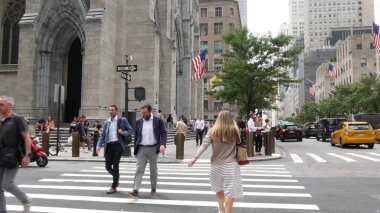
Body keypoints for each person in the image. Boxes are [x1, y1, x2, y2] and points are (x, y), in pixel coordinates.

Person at [188, 110, 244, 213]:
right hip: (231, 164)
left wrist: (195, 158)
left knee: (218, 189)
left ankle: (221, 209)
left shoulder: (212, 131)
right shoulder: (235, 130)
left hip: (216, 165)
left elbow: (204, 145)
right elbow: (239, 144)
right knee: (230, 193)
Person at [125, 103, 167, 199]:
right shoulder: (139, 122)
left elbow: (163, 133)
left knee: (153, 170)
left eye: (145, 113)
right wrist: (135, 151)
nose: (143, 114)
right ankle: (135, 190)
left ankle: (153, 188)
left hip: (153, 148)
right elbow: (136, 136)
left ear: (150, 111)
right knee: (139, 169)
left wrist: (162, 144)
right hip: (141, 148)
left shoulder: (158, 121)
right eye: (142, 113)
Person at [0, 96, 32, 212]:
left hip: (12, 155)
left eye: (1, 104)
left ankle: (25, 199)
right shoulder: (1, 120)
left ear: (10, 105)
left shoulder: (17, 118)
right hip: (1, 154)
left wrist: (27, 155)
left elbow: (26, 137)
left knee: (7, 183)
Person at [96, 105, 132, 194]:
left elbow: (130, 130)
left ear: (116, 111)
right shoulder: (106, 122)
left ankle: (113, 186)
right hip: (109, 145)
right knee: (107, 166)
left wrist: (123, 132)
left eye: (112, 110)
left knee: (115, 166)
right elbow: (103, 136)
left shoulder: (122, 120)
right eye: (110, 110)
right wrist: (98, 146)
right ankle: (116, 177)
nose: (111, 111)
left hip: (118, 145)